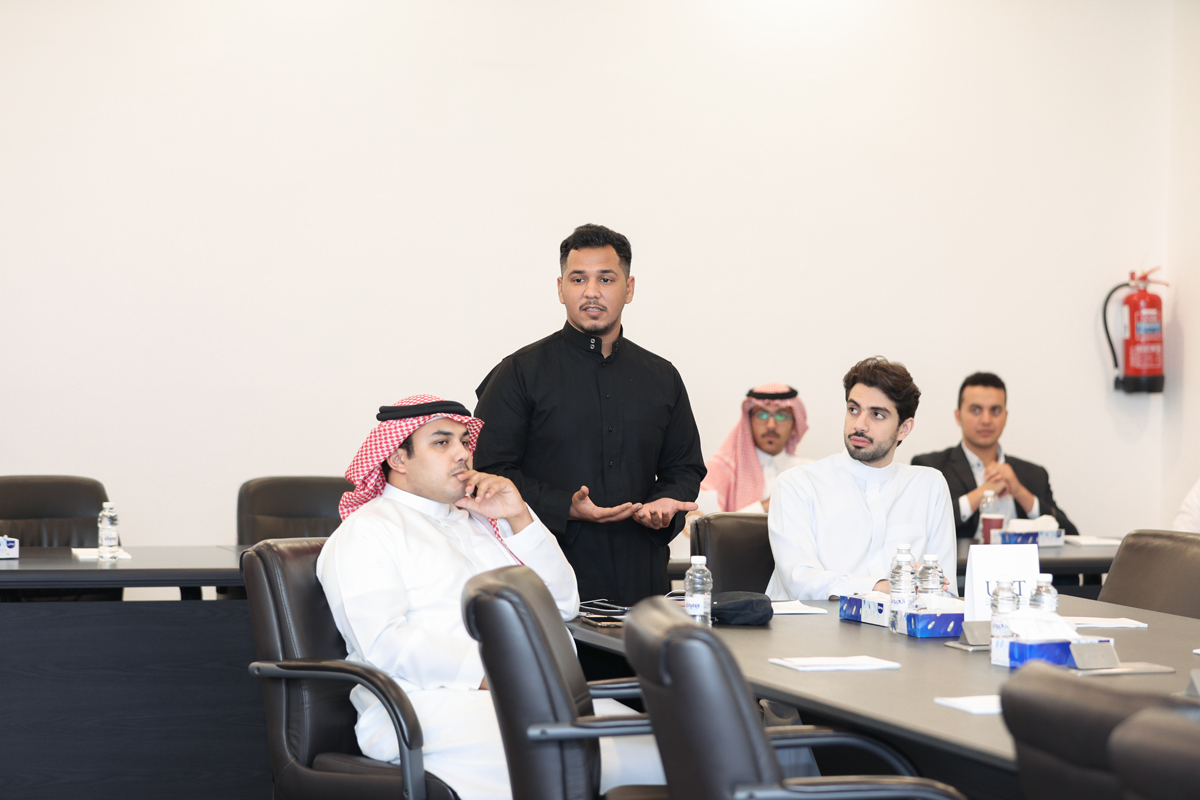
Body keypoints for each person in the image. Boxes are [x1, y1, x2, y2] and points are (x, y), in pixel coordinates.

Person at [317, 395, 664, 800]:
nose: (463, 454)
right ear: (397, 458)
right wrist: (496, 671)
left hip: (527, 694)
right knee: (567, 757)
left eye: (464, 442)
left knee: (667, 747)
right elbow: (384, 642)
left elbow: (563, 604)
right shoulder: (368, 531)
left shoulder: (483, 521)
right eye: (442, 442)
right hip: (420, 705)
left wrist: (519, 516)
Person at [473, 224, 706, 607]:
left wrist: (664, 504)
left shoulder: (662, 376)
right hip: (545, 571)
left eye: (606, 279)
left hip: (641, 573)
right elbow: (489, 471)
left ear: (629, 288)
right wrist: (566, 505)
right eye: (578, 279)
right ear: (560, 288)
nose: (592, 291)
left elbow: (684, 468)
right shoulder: (519, 372)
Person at [766, 357, 957, 601]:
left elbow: (945, 591)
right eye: (853, 410)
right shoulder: (797, 485)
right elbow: (800, 582)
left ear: (904, 428)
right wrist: (882, 587)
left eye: (877, 414)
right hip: (813, 622)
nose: (859, 425)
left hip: (900, 625)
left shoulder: (929, 486)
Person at [910, 372, 1079, 540]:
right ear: (958, 416)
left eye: (995, 411)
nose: (986, 420)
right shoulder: (931, 467)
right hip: (963, 559)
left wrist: (1020, 492)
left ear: (1005, 417)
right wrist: (984, 492)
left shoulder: (1034, 474)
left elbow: (1071, 535)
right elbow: (921, 526)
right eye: (976, 410)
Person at [696, 383, 811, 515]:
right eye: (762, 415)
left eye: (781, 416)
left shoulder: (808, 472)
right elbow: (705, 523)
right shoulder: (722, 469)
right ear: (748, 423)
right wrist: (768, 506)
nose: (771, 425)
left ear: (794, 425)